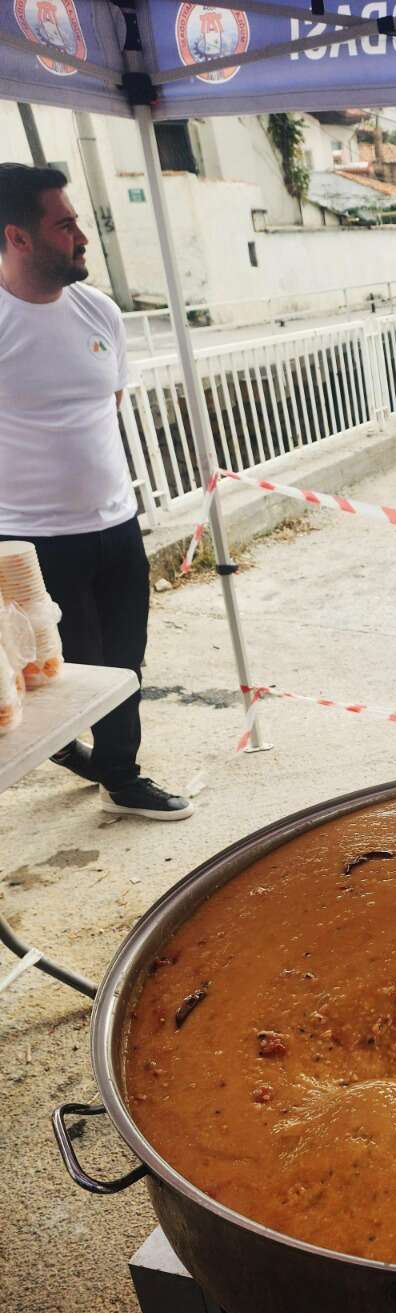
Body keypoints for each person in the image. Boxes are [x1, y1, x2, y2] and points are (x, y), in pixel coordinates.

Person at [0, 163, 191, 820]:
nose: (82, 236)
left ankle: (118, 772)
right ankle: (83, 752)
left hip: (115, 521)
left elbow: (105, 407)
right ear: (18, 238)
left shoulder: (98, 309)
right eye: (65, 223)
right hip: (32, 539)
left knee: (124, 660)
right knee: (71, 668)